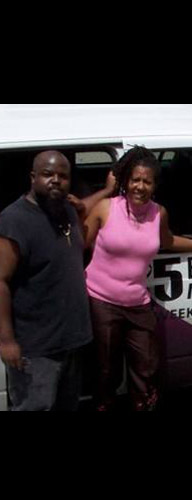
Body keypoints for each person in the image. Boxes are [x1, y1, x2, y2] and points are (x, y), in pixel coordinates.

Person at [84, 146, 192, 411]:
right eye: (135, 180)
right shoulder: (106, 208)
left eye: (147, 182)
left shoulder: (158, 213)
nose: (140, 187)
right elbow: (80, 244)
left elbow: (169, 241)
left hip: (138, 303)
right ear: (125, 180)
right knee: (106, 371)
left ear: (155, 186)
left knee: (148, 368)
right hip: (101, 301)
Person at [0, 151, 113, 411]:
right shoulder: (14, 220)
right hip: (36, 347)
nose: (56, 180)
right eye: (48, 174)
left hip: (71, 340)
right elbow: (1, 281)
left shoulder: (66, 210)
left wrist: (106, 191)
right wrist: (6, 341)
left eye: (63, 176)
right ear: (33, 177)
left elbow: (84, 209)